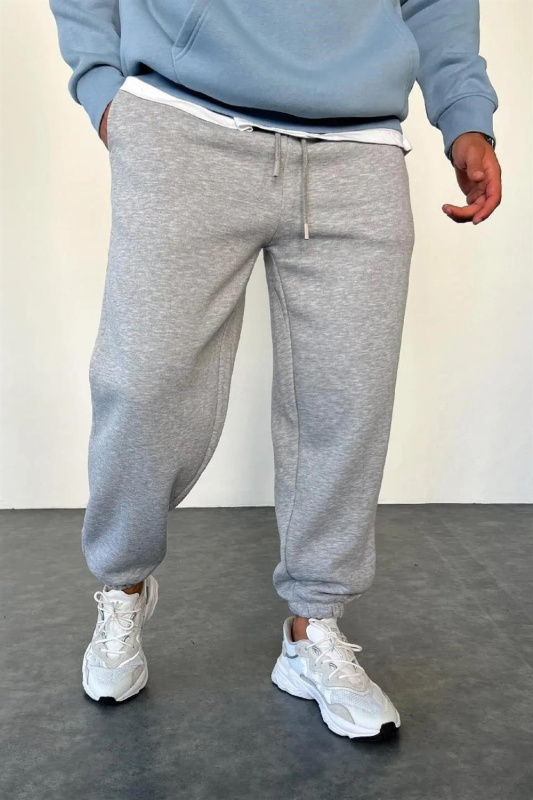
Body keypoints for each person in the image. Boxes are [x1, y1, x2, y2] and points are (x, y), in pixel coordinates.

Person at [49, 0, 501, 739]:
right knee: (143, 383)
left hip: (357, 146)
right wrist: (101, 85)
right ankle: (122, 586)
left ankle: (312, 628)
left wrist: (465, 116)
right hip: (186, 124)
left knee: (345, 401)